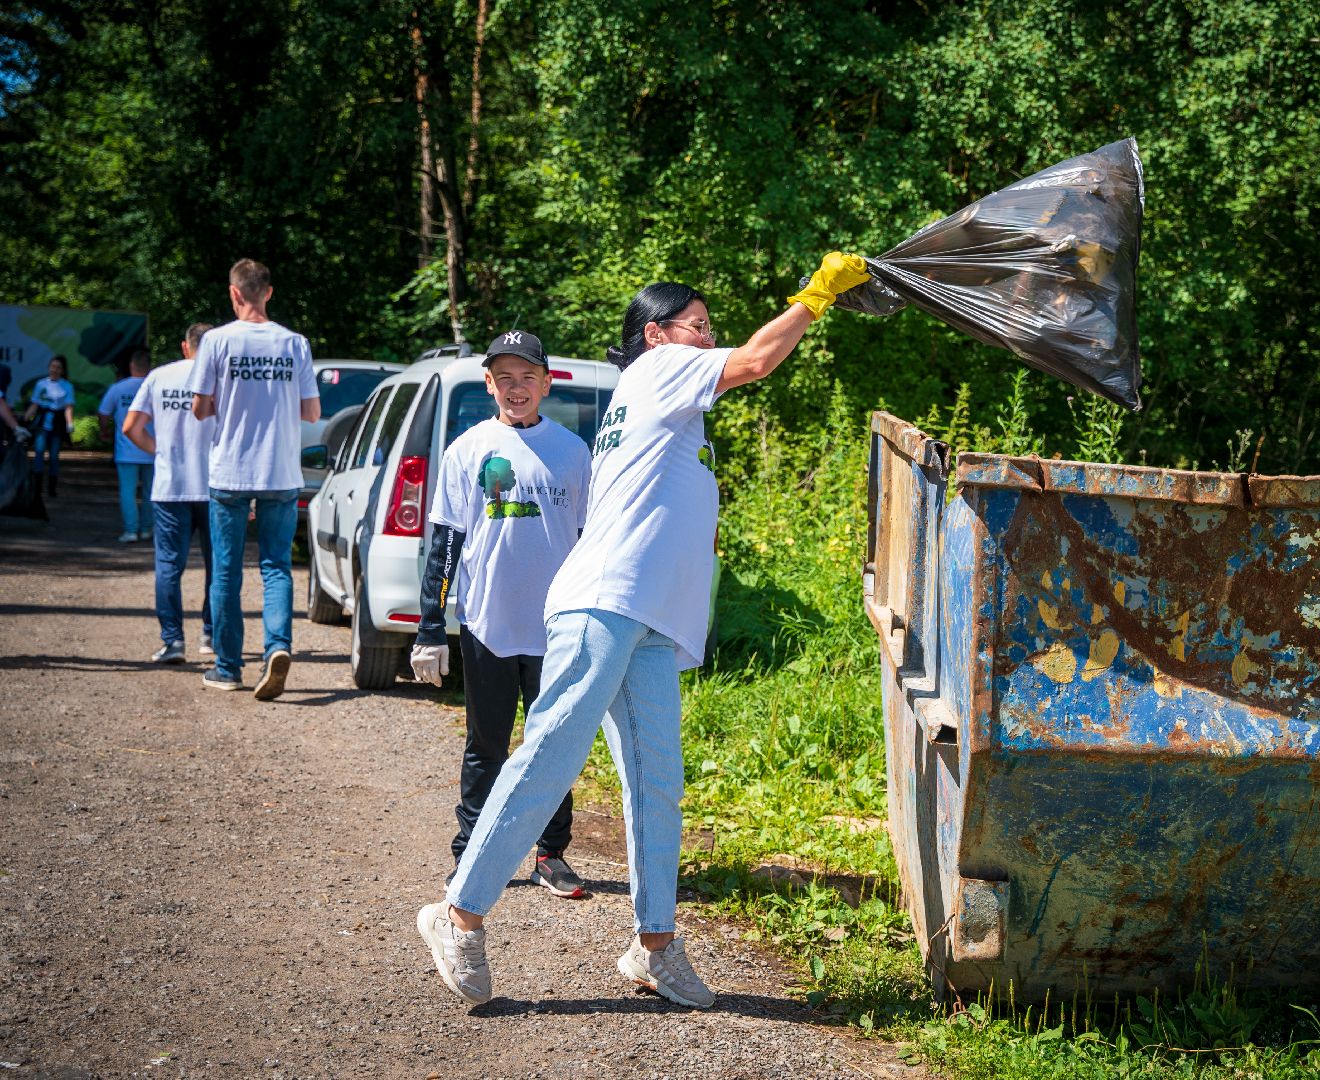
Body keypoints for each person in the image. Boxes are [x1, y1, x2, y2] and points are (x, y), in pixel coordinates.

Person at [417, 252, 870, 1008]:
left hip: (650, 617)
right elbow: (758, 360)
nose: (711, 339)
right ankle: (457, 914)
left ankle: (653, 945)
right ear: (657, 336)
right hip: (606, 600)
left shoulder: (664, 401)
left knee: (658, 784)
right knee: (552, 751)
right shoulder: (659, 373)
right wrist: (815, 295)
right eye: (699, 327)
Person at [409, 329, 593, 899]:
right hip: (488, 624)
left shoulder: (573, 452)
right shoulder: (467, 450)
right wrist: (429, 628)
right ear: (489, 384)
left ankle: (550, 853)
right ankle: (469, 856)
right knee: (484, 746)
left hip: (558, 628)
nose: (516, 388)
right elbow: (444, 543)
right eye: (504, 378)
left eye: (527, 377)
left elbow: (592, 543)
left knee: (553, 745)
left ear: (547, 383)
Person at [189, 259, 319, 699]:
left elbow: (200, 408)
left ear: (234, 293)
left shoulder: (217, 341)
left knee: (225, 572)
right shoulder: (295, 343)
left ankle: (227, 668)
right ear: (269, 291)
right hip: (280, 470)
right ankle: (277, 648)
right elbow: (312, 412)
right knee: (276, 567)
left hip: (231, 470)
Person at [125, 323, 218, 663]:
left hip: (169, 486)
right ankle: (210, 635)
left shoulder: (159, 377)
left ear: (185, 346)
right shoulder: (223, 378)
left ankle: (173, 642)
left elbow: (130, 427)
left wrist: (159, 451)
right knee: (218, 566)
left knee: (168, 566)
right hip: (214, 487)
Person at [100, 349, 157, 542]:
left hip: (126, 450)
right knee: (151, 492)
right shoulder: (155, 387)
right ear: (149, 367)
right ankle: (147, 529)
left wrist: (105, 431)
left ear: (131, 366)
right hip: (152, 450)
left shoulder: (118, 388)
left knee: (128, 492)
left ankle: (131, 531)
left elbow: (104, 413)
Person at [24, 355, 74, 497]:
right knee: (39, 453)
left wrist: (70, 423)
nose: (54, 370)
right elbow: (34, 404)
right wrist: (25, 419)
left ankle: (52, 488)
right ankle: (38, 487)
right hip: (42, 422)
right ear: (48, 368)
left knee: (54, 456)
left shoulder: (67, 386)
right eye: (52, 367)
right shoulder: (41, 384)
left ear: (63, 370)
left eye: (58, 368)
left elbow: (68, 407)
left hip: (57, 423)